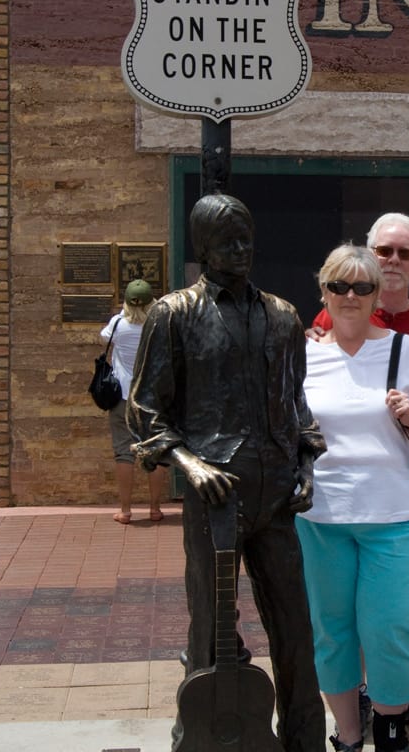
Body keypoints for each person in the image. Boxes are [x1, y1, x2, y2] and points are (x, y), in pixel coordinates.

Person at [126, 193, 326, 752]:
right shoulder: (174, 314)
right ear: (203, 249)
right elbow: (144, 407)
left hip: (277, 495)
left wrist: (307, 466)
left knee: (296, 630)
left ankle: (305, 740)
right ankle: (207, 737)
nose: (240, 251)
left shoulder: (284, 316)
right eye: (226, 242)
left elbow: (295, 404)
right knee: (210, 628)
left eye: (246, 239)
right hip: (216, 498)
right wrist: (188, 462)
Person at [312, 212, 409, 738]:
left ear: (376, 292)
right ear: (325, 291)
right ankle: (348, 735)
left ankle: (394, 723)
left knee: (392, 629)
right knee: (334, 633)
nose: (349, 295)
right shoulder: (305, 350)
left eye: (360, 287)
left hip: (398, 511)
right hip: (323, 517)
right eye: (339, 286)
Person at [99, 279, 168, 524]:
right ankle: (155, 508)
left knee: (123, 454)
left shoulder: (118, 325)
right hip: (152, 398)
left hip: (122, 397)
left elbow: (103, 338)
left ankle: (126, 510)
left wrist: (123, 312)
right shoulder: (159, 324)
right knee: (156, 452)